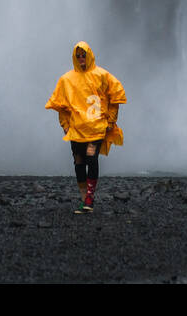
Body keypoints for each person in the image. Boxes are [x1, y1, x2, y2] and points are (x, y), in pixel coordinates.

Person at [45, 41, 126, 212]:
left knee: (91, 158)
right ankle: (85, 198)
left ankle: (89, 198)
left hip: (95, 130)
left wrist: (111, 121)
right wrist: (65, 126)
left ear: (89, 55)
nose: (81, 58)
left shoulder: (102, 75)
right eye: (78, 55)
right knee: (78, 161)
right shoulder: (67, 79)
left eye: (84, 55)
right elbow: (61, 106)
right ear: (75, 57)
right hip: (76, 131)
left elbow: (116, 96)